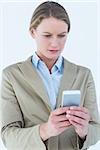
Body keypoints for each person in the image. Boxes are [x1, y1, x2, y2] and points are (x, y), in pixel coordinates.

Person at [0, 1, 100, 150]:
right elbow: (8, 137)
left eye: (62, 35)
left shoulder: (83, 75)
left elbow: (96, 130)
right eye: (47, 35)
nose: (55, 43)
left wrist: (85, 131)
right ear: (33, 32)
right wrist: (45, 130)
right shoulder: (12, 76)